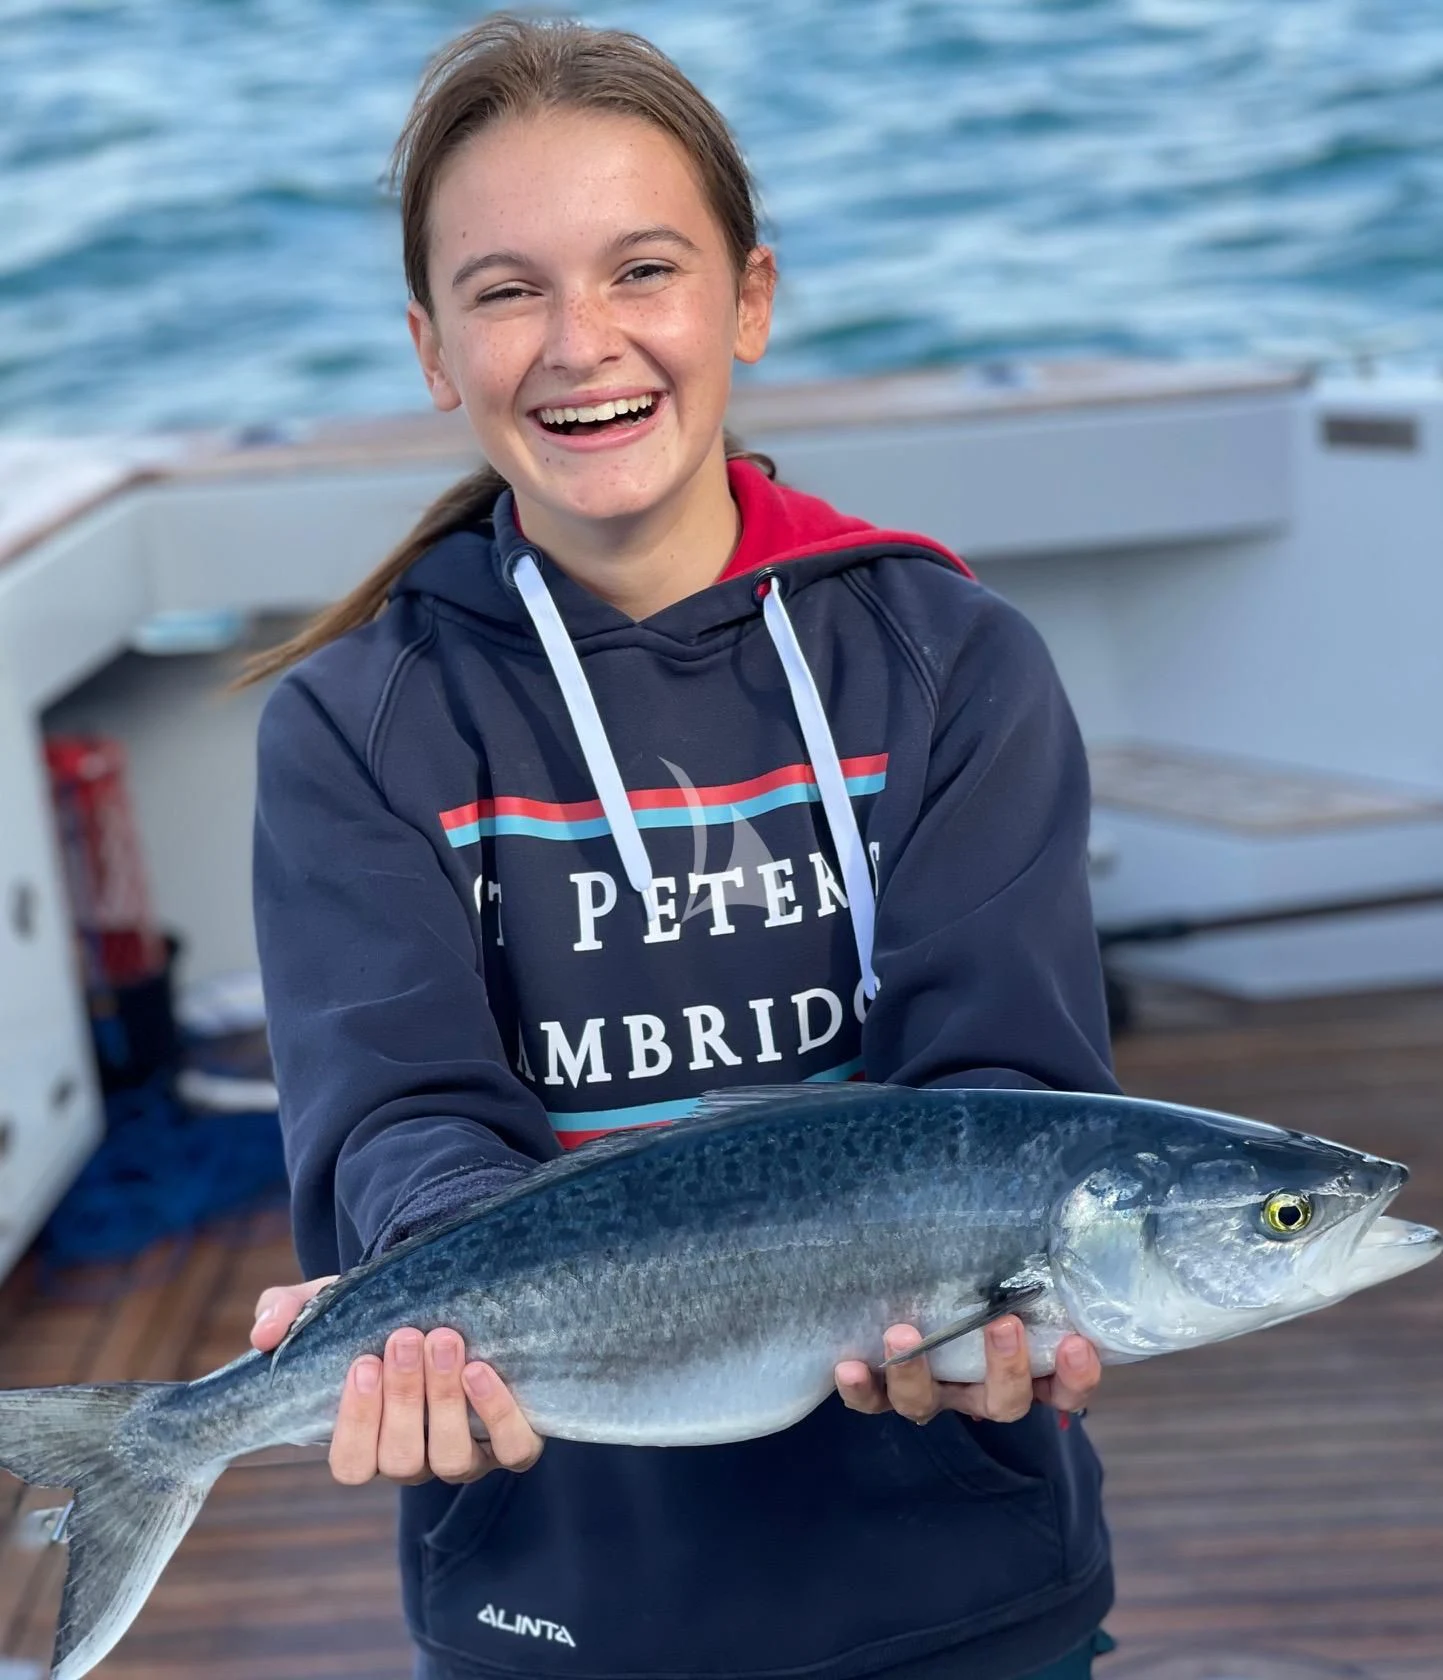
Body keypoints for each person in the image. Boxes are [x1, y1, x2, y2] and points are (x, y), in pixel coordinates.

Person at [245, 15, 1119, 1680]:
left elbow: (1006, 1085)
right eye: (507, 292)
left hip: (961, 1578)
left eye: (642, 269)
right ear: (435, 351)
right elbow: (399, 1116)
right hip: (554, 1588)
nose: (582, 343)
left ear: (749, 299)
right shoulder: (354, 724)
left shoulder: (950, 663)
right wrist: (423, 1291)